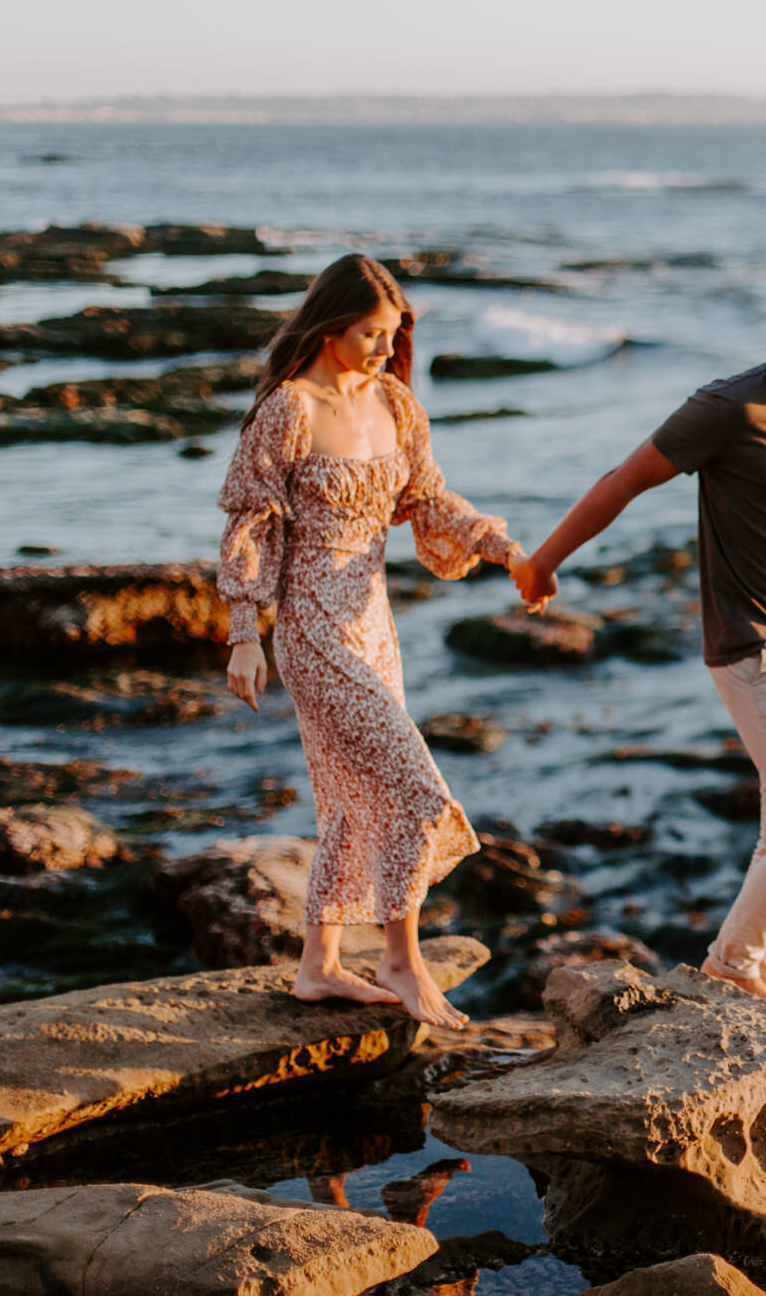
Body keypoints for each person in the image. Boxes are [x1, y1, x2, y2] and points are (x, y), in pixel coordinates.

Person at [511, 265, 766, 999]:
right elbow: (624, 480)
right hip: (755, 647)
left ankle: (755, 987)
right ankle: (730, 963)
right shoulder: (732, 407)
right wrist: (544, 561)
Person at [218, 253, 523, 1029]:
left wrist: (499, 545)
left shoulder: (394, 401)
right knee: (417, 793)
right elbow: (253, 521)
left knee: (352, 803)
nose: (388, 350)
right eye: (371, 334)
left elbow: (426, 499)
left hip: (375, 626)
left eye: (394, 335)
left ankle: (318, 966)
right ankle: (401, 959)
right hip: (313, 628)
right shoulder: (289, 408)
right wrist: (244, 634)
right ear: (328, 328)